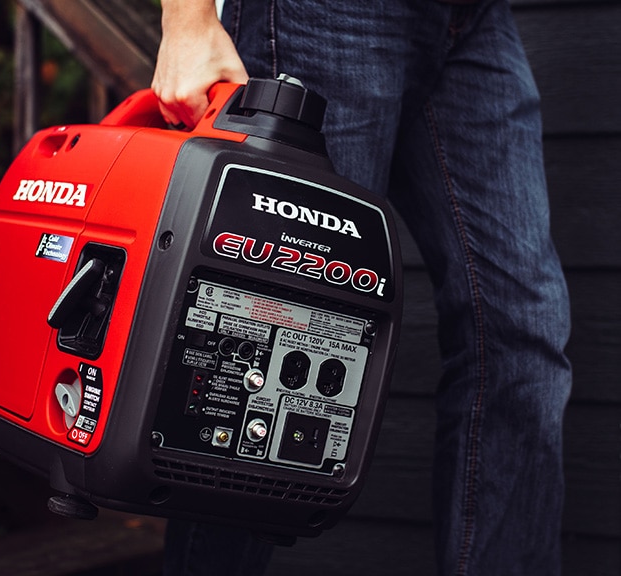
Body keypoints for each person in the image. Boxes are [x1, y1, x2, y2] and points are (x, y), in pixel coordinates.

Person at [152, 1, 573, 575]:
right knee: (264, 345)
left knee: (521, 336)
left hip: (475, 22)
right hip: (323, 17)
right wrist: (186, 19)